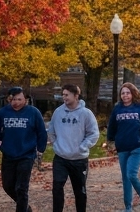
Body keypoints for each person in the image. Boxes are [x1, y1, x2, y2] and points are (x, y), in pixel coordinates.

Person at [0, 86, 46, 212]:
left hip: (26, 155)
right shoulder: (3, 113)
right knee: (8, 186)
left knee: (21, 188)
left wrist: (40, 148)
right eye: (13, 99)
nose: (16, 102)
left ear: (25, 99)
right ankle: (25, 207)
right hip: (9, 154)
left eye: (19, 99)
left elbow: (41, 132)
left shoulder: (33, 113)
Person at [49, 83, 100, 212]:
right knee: (57, 187)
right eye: (63, 95)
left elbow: (93, 134)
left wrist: (83, 146)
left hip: (79, 159)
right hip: (61, 158)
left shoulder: (86, 113)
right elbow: (51, 131)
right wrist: (56, 144)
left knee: (80, 191)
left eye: (67, 95)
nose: (64, 97)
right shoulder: (58, 112)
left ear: (76, 96)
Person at [106, 83, 140, 212]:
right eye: (123, 93)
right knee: (125, 178)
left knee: (131, 174)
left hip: (137, 147)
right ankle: (128, 207)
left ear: (132, 94)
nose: (125, 95)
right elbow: (112, 126)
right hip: (122, 147)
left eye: (127, 93)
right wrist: (110, 140)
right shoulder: (117, 109)